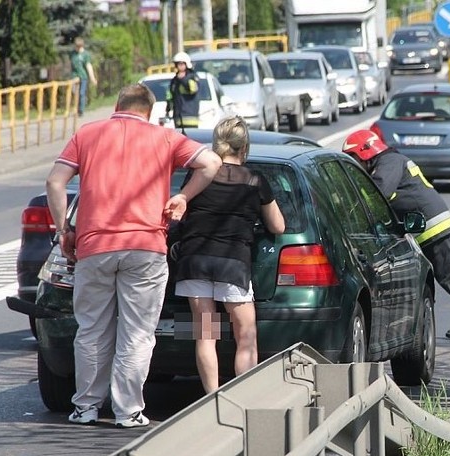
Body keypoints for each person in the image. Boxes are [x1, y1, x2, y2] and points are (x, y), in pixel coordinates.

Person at [45, 84, 222, 427]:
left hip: (94, 247)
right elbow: (211, 163)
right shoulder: (165, 138)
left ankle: (86, 407)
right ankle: (128, 411)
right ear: (149, 111)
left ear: (116, 105)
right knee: (137, 332)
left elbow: (55, 182)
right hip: (145, 248)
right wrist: (183, 196)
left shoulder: (88, 133)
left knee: (92, 329)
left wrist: (63, 231)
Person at [342, 129, 450, 340]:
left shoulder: (388, 162)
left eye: (353, 158)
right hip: (425, 223)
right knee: (438, 272)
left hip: (431, 224)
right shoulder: (389, 161)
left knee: (448, 271)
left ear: (364, 152)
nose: (355, 164)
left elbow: (379, 192)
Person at [173, 117, 286, 393]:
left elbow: (182, 213)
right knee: (245, 334)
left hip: (195, 261)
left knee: (206, 335)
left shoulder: (197, 175)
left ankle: (212, 397)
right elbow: (278, 226)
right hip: (232, 266)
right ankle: (243, 396)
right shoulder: (254, 181)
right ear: (243, 147)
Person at [167, 51, 201, 129]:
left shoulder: (192, 78)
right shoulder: (175, 80)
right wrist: (168, 108)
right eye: (177, 64)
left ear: (187, 64)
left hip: (190, 117)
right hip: (178, 118)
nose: (179, 66)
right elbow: (170, 95)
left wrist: (183, 80)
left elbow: (193, 90)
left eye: (181, 64)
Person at [70, 37, 97, 116]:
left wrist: (92, 78)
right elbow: (71, 65)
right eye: (77, 47)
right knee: (74, 92)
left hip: (83, 76)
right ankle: (75, 108)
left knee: (81, 93)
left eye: (80, 47)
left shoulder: (85, 54)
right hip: (74, 76)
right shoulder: (73, 54)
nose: (78, 49)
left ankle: (81, 110)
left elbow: (88, 66)